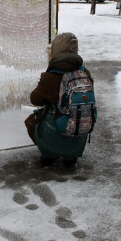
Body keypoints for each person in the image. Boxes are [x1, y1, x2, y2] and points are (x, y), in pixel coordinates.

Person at [24, 32, 92, 167]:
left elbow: (35, 100)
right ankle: (71, 156)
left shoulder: (51, 76)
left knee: (31, 121)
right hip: (79, 134)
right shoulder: (84, 74)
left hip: (53, 135)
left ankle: (49, 154)